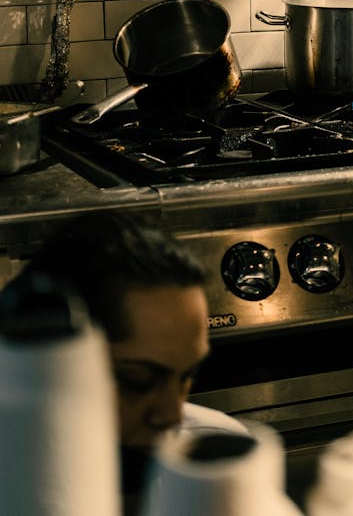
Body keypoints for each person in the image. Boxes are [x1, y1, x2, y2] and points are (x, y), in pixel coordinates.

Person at [5, 209, 246, 515]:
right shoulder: (18, 487)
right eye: (137, 382)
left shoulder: (219, 467)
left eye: (186, 376)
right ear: (52, 366)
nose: (171, 415)